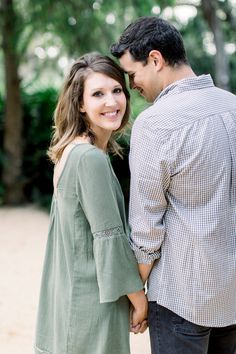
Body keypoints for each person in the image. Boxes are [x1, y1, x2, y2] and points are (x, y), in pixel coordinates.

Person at [111, 16, 236, 354]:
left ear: (155, 59)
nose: (132, 85)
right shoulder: (233, 106)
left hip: (182, 297)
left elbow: (147, 230)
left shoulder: (155, 124)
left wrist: (136, 296)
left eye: (133, 74)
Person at [34, 53, 148, 354]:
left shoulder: (71, 151)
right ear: (80, 104)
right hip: (92, 302)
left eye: (116, 90)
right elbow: (108, 239)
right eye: (98, 94)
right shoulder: (89, 159)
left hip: (70, 297)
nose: (112, 102)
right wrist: (140, 300)